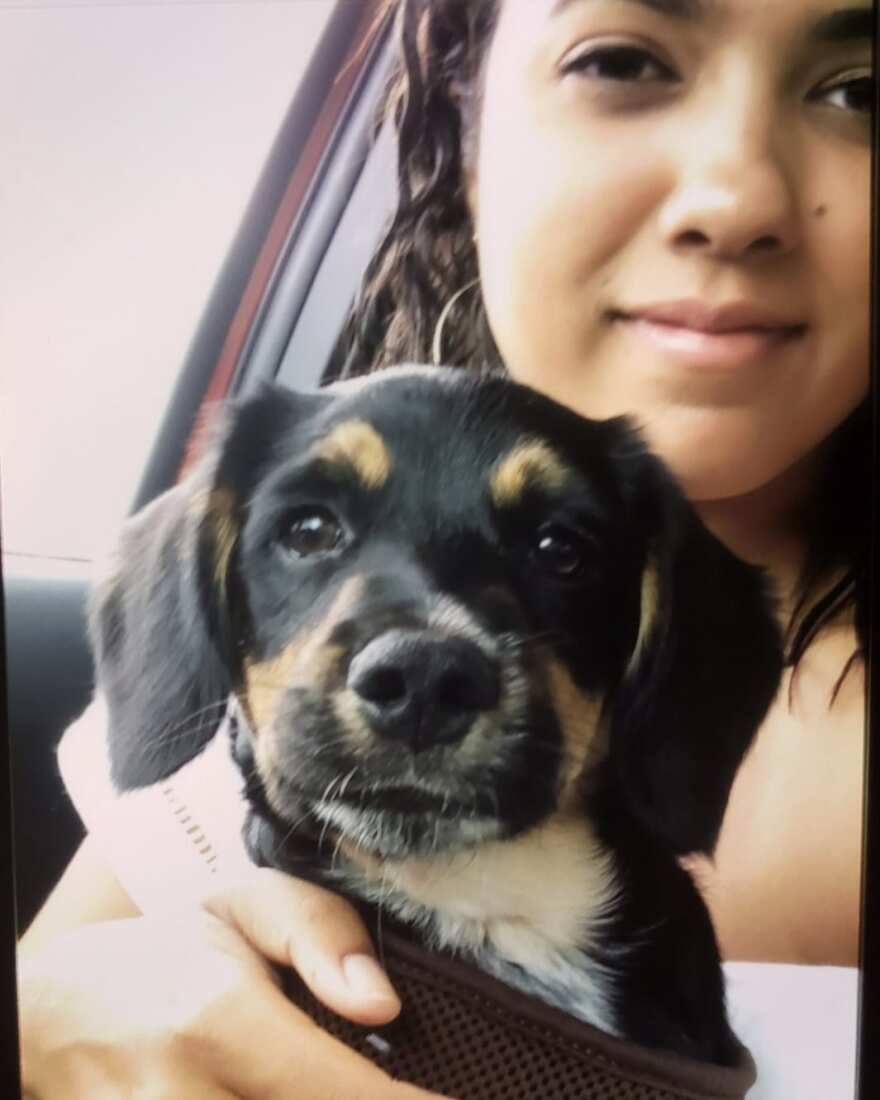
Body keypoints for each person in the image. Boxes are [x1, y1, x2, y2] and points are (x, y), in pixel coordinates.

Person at [17, 0, 872, 1097]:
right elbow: (50, 991)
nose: (735, 198)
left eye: (860, 90)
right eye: (621, 60)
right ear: (467, 130)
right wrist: (56, 1016)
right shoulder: (202, 737)